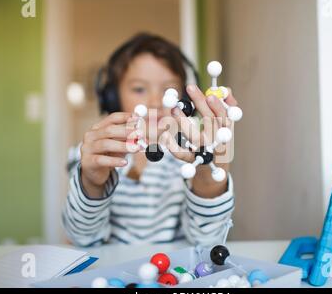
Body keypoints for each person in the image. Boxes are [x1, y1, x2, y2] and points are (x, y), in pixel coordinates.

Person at [62, 33, 238, 247]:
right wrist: (91, 183)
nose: (155, 102)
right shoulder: (92, 154)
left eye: (169, 91)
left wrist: (207, 170)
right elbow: (82, 238)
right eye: (139, 89)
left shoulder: (193, 154)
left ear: (184, 100)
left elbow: (207, 241)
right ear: (113, 97)